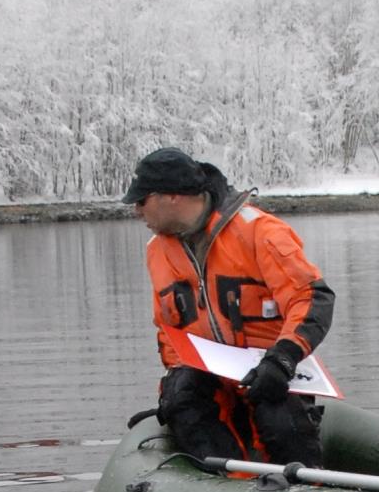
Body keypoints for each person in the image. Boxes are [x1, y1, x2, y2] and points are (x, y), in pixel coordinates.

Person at [123, 146, 334, 467]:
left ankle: (306, 491)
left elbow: (311, 298)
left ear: (172, 196)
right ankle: (231, 490)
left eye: (141, 201)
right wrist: (172, 386)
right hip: (210, 375)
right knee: (182, 396)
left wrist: (282, 360)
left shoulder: (259, 232)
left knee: (279, 417)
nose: (136, 210)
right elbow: (169, 330)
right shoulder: (157, 251)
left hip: (271, 368)